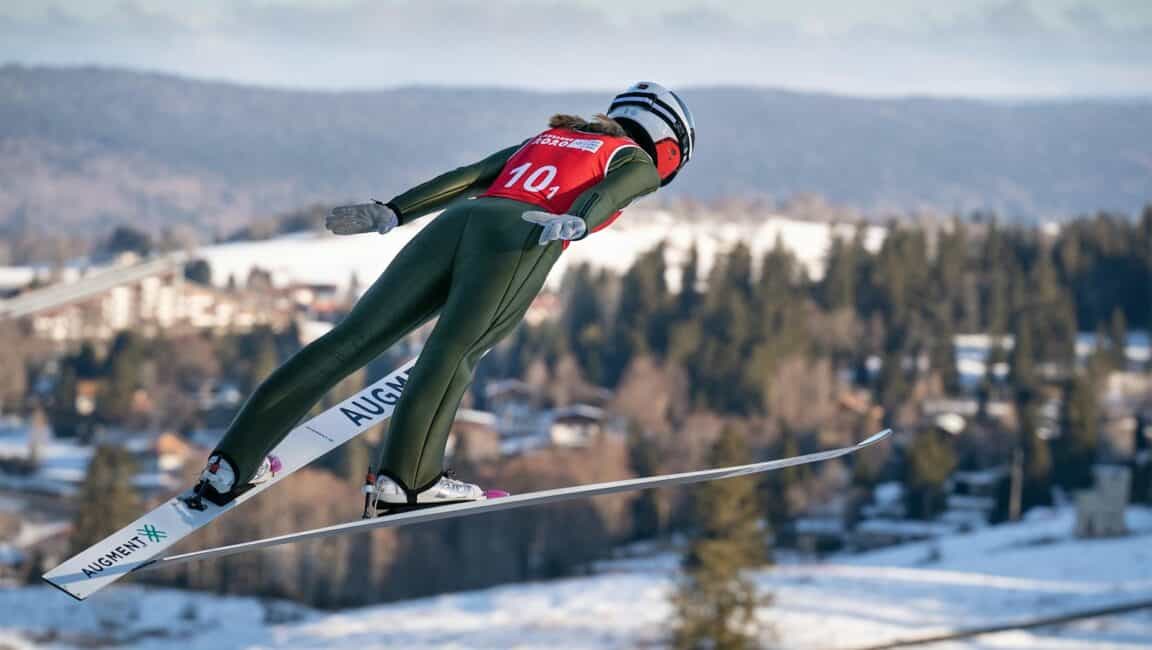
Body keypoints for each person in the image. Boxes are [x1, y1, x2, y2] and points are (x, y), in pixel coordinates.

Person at [187, 82, 696, 513]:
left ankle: (230, 465)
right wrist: (580, 218)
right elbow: (615, 192)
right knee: (452, 353)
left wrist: (395, 211)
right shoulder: (634, 159)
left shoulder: (551, 136)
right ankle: (405, 481)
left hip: (458, 221)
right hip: (523, 234)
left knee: (349, 340)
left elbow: (471, 176)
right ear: (667, 145)